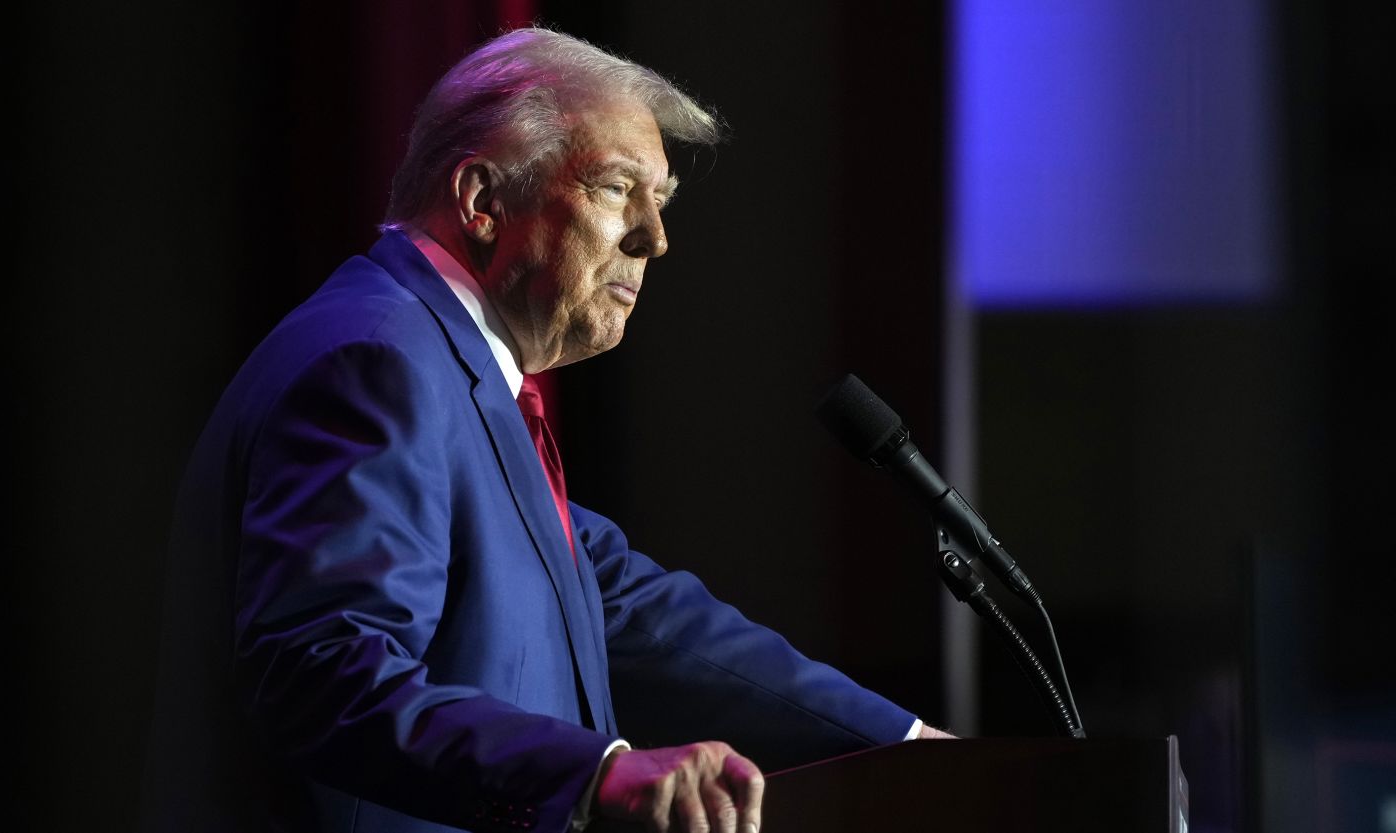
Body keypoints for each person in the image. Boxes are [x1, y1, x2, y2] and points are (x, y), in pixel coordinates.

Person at [142, 26, 950, 833]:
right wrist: (594, 774)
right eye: (615, 188)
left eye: (659, 201)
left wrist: (910, 746)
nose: (655, 239)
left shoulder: (454, 378)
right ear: (484, 202)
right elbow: (324, 673)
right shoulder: (375, 362)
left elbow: (642, 612)